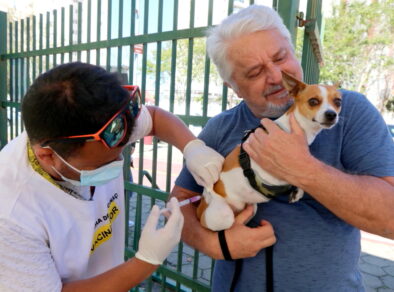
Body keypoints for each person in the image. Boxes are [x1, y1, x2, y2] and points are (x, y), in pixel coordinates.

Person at [171, 4, 394, 292]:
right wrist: (212, 243)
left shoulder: (348, 113)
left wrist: (303, 168)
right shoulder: (221, 128)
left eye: (281, 57)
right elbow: (181, 200)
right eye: (254, 72)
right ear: (233, 87)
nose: (276, 76)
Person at [0, 62, 224, 291]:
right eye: (102, 164)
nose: (118, 165)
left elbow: (154, 118)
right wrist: (146, 261)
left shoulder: (104, 127)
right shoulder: (11, 214)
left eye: (121, 152)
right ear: (47, 156)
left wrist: (192, 148)